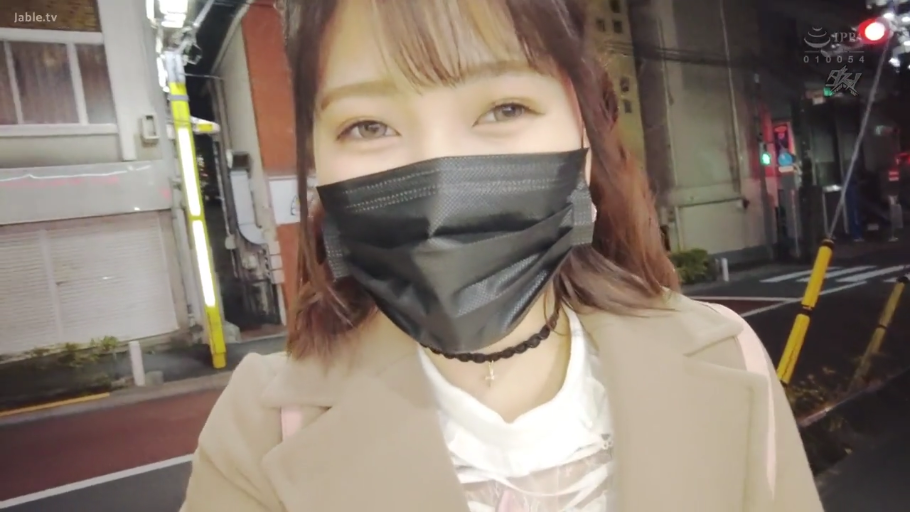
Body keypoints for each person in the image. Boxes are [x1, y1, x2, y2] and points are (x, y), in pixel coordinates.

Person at [181, 0, 823, 510]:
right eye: (368, 126)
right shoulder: (259, 428)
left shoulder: (725, 357)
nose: (441, 184)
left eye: (504, 108)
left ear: (583, 136)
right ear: (319, 162)